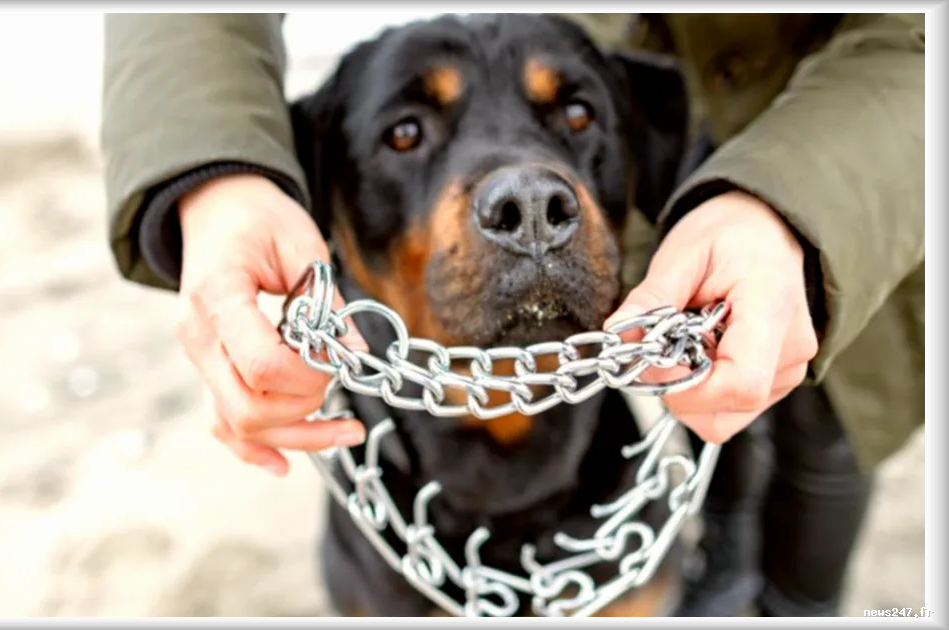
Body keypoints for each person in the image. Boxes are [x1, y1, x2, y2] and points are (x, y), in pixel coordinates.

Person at [100, 13, 925, 617]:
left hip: (841, 123)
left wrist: (787, 208)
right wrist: (213, 175)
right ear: (328, 207)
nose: (530, 192)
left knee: (820, 404)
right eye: (406, 132)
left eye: (572, 121)